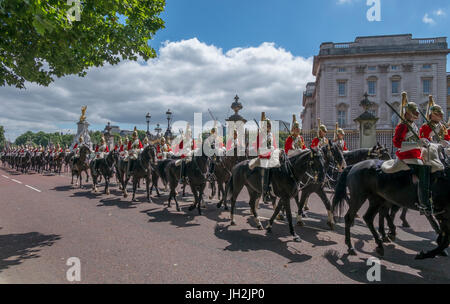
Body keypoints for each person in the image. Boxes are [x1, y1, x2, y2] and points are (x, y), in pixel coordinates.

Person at [393, 95, 434, 216]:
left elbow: (417, 142)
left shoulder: (414, 126)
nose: (416, 114)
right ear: (408, 113)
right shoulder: (403, 126)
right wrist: (417, 143)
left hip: (416, 155)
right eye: (414, 112)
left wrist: (423, 142)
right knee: (423, 170)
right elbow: (397, 143)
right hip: (406, 156)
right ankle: (423, 203)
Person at [251, 112, 279, 203]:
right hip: (263, 157)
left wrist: (272, 149)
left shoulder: (271, 135)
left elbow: (274, 146)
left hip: (271, 157)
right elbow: (258, 149)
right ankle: (265, 193)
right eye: (266, 126)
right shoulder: (260, 135)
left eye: (269, 126)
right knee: (267, 169)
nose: (268, 127)